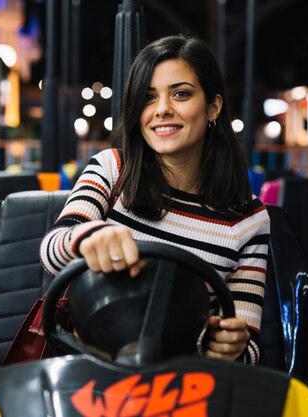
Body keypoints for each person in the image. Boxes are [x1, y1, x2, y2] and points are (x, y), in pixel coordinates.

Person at [40, 34, 270, 365]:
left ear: (213, 107)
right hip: (91, 370)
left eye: (181, 94)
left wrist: (227, 345)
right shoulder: (112, 169)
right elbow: (53, 250)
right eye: (148, 98)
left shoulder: (249, 219)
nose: (162, 110)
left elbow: (247, 349)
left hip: (183, 388)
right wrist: (90, 238)